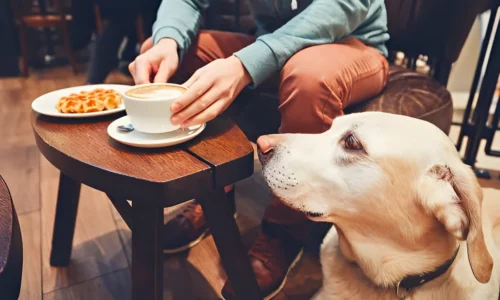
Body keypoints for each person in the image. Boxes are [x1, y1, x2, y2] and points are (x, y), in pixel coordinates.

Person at [129, 0, 390, 298]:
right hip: (274, 40)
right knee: (171, 52)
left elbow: (344, 6)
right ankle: (214, 194)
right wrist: (167, 39)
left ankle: (284, 229)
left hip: (352, 42)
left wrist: (246, 63)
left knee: (307, 78)